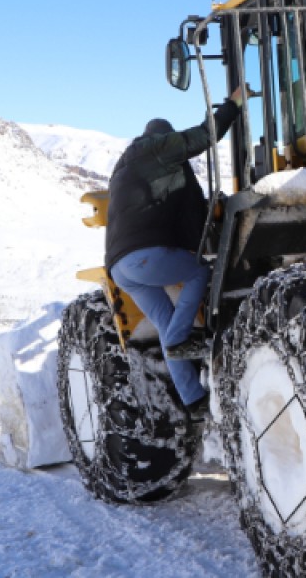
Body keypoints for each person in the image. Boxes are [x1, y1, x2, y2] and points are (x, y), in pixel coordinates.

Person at [104, 88, 242, 417]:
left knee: (166, 326)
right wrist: (233, 104)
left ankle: (193, 399)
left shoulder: (123, 168)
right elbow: (205, 135)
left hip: (120, 268)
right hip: (145, 257)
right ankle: (183, 339)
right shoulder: (156, 150)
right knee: (198, 273)